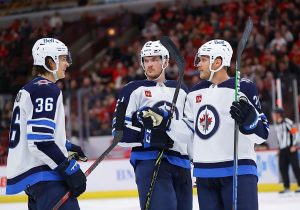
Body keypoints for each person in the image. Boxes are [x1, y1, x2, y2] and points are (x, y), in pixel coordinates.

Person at [146, 39, 269, 210]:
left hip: (238, 171)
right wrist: (166, 122)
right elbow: (188, 132)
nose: (198, 64)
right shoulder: (195, 91)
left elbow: (262, 133)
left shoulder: (243, 88)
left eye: (203, 60)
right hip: (205, 174)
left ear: (217, 62)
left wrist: (250, 121)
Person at [6, 38, 87, 210]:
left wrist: (65, 145)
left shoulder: (29, 88)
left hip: (36, 182)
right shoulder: (46, 89)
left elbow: (33, 134)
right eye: (63, 59)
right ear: (50, 61)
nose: (67, 63)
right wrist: (68, 167)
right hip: (47, 179)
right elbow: (40, 141)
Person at [112, 40, 193, 210]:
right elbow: (118, 133)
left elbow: (190, 130)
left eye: (154, 59)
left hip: (182, 163)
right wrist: (147, 137)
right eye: (146, 60)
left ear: (164, 61)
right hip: (151, 161)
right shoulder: (132, 89)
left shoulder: (181, 89)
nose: (149, 64)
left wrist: (196, 162)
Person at [272, 108, 300, 193]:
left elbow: (295, 132)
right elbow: (280, 138)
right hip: (283, 150)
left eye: (274, 114)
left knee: (296, 168)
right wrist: (280, 148)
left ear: (278, 114)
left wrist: (295, 145)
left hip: (290, 149)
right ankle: (286, 186)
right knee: (283, 168)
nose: (273, 116)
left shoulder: (287, 122)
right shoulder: (277, 125)